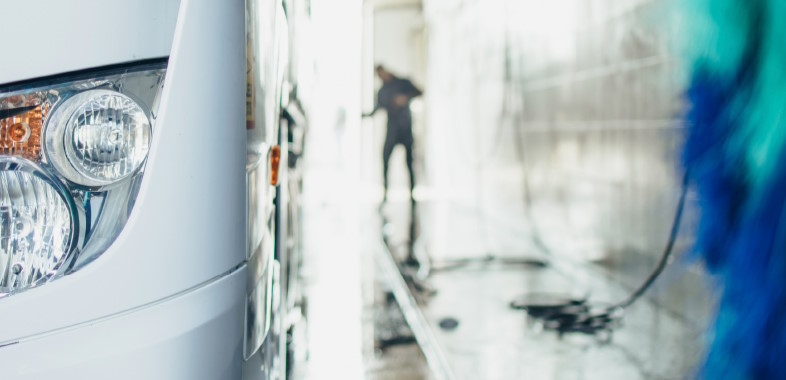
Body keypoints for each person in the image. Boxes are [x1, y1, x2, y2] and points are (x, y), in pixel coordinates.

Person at [362, 65, 422, 202]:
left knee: (409, 163)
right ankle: (385, 191)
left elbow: (419, 91)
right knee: (385, 159)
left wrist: (405, 98)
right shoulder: (383, 91)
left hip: (406, 129)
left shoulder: (403, 82)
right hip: (392, 131)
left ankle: (412, 192)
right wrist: (365, 115)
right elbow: (378, 108)